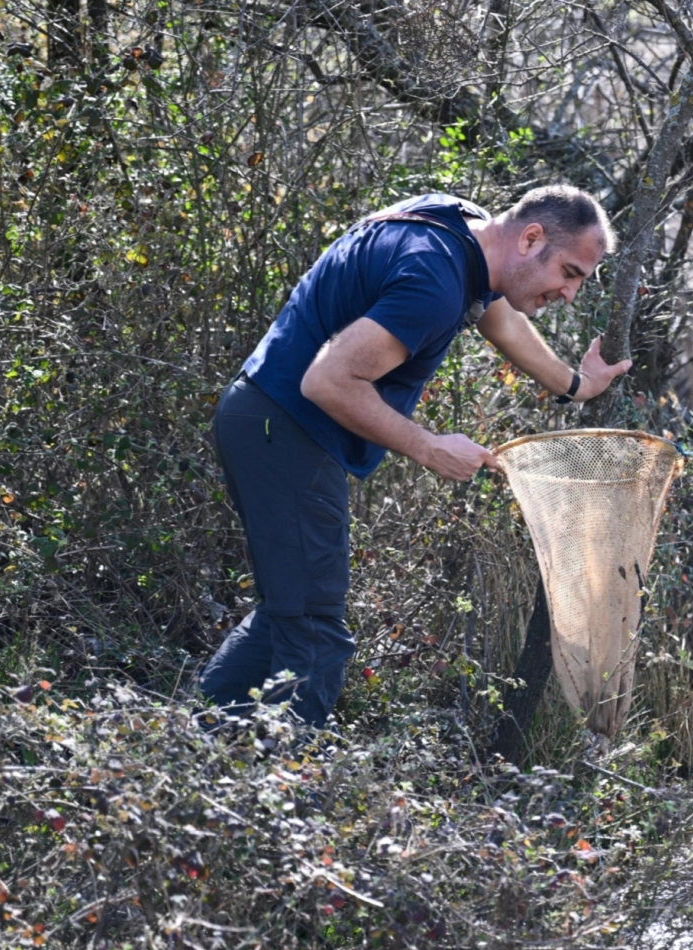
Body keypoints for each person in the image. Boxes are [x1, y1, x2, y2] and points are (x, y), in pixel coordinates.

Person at [199, 186, 628, 727]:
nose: (569, 293)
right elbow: (328, 381)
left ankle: (194, 749)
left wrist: (575, 385)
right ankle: (279, 788)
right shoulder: (433, 280)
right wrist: (428, 447)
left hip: (261, 419)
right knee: (313, 630)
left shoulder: (461, 227)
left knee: (290, 613)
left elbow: (500, 319)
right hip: (283, 429)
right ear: (531, 238)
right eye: (569, 273)